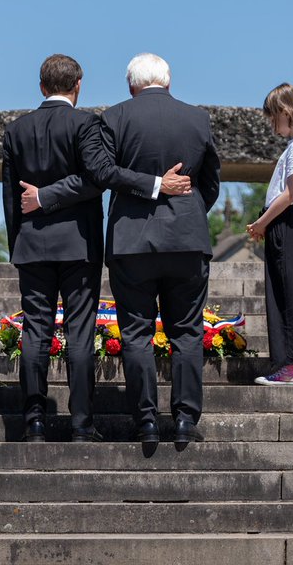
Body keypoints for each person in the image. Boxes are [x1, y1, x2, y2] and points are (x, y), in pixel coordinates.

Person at [2, 54, 189, 443]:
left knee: (35, 330)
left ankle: (34, 420)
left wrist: (18, 240)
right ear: (78, 85)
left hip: (31, 245)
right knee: (80, 332)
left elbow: (10, 196)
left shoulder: (15, 130)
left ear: (41, 86)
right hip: (79, 244)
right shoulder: (87, 124)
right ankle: (81, 423)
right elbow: (97, 178)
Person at [82, 53, 220, 445]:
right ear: (169, 82)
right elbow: (211, 181)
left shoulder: (114, 117)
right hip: (187, 239)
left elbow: (102, 172)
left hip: (131, 241)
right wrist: (185, 208)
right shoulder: (198, 118)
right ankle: (185, 420)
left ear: (131, 85)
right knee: (188, 332)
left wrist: (148, 186)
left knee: (137, 334)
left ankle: (145, 421)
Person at [246, 83, 293, 386]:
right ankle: (287, 363)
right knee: (280, 291)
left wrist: (261, 222)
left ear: (286, 113)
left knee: (286, 293)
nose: (273, 127)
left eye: (274, 119)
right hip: (283, 222)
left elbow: (291, 193)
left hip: (286, 221)